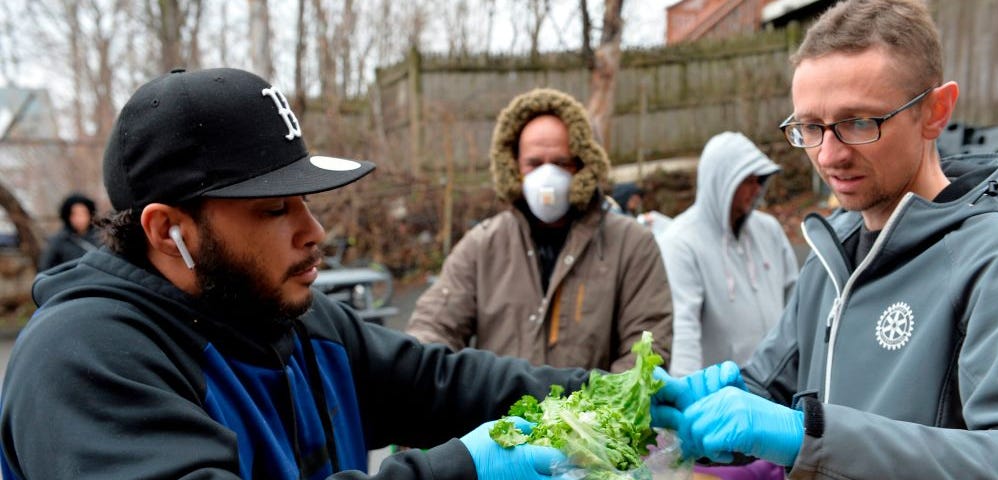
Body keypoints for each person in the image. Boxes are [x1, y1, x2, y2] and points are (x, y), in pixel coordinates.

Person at [0, 67, 701, 480]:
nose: (315, 232)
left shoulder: (291, 320)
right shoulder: (84, 361)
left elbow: (441, 383)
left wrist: (615, 395)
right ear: (168, 230)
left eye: (306, 200)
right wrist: (462, 469)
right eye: (275, 208)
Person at [654, 1, 998, 478]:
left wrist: (804, 434)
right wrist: (707, 406)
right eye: (810, 126)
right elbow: (773, 390)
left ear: (936, 111)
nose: (829, 155)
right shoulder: (831, 255)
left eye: (858, 123)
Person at [405, 88, 672, 372]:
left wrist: (588, 413)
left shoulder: (631, 245)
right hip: (502, 415)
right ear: (513, 166)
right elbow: (432, 329)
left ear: (583, 164)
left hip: (592, 416)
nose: (546, 177)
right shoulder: (483, 247)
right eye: (533, 164)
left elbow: (648, 350)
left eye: (560, 163)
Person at [657, 132, 798, 377]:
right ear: (721, 182)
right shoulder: (680, 242)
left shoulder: (769, 230)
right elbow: (683, 328)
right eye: (747, 180)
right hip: (722, 397)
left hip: (779, 389)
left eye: (760, 180)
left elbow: (797, 300)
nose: (756, 189)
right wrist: (687, 398)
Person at [37, 192, 101, 270]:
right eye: (74, 214)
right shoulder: (58, 241)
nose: (79, 219)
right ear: (68, 216)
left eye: (83, 213)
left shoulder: (101, 237)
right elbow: (46, 269)